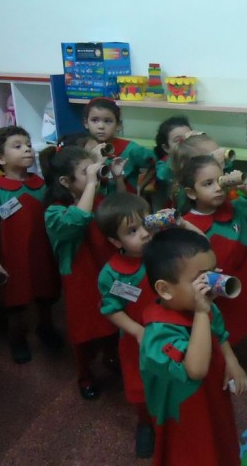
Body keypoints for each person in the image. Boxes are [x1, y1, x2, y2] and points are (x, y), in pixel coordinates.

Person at [140, 227, 247, 466]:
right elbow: (195, 370)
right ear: (165, 289)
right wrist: (200, 313)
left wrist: (231, 360)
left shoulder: (207, 308)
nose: (212, 283)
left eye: (213, 272)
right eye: (201, 278)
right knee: (194, 452)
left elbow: (219, 333)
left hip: (212, 394)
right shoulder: (158, 335)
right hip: (184, 411)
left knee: (220, 437)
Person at [41, 145, 120, 400]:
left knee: (114, 317)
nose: (93, 175)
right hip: (79, 277)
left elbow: (121, 208)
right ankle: (85, 375)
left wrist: (116, 176)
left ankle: (111, 356)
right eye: (85, 172)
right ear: (65, 182)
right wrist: (91, 185)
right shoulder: (54, 211)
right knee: (84, 328)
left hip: (107, 269)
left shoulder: (97, 198)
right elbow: (77, 220)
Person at [0, 126, 62, 363]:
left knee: (46, 296)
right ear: (0, 159)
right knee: (15, 302)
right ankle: (17, 339)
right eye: (17, 146)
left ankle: (46, 329)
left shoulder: (42, 185)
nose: (27, 149)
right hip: (13, 258)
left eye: (28, 144)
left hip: (43, 254)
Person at [179, 155, 247, 344]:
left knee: (243, 317)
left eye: (220, 180)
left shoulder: (236, 208)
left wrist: (244, 186)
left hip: (245, 277)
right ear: (191, 193)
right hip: (215, 287)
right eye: (208, 184)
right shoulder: (186, 223)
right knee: (220, 326)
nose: (217, 188)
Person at [95, 192, 155, 457]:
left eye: (146, 224)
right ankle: (145, 423)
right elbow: (111, 310)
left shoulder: (164, 251)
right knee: (140, 385)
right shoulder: (111, 274)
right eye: (132, 231)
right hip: (137, 340)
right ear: (115, 241)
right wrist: (136, 330)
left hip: (173, 332)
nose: (144, 234)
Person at [83, 97, 155, 194]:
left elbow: (157, 161)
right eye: (95, 120)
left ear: (118, 125)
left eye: (108, 121)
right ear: (86, 123)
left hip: (125, 201)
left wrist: (141, 186)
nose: (101, 126)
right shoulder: (82, 149)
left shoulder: (131, 149)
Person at [147, 115, 192, 207]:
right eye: (179, 141)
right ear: (166, 148)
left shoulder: (197, 157)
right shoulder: (164, 165)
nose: (186, 144)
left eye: (189, 138)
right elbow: (163, 175)